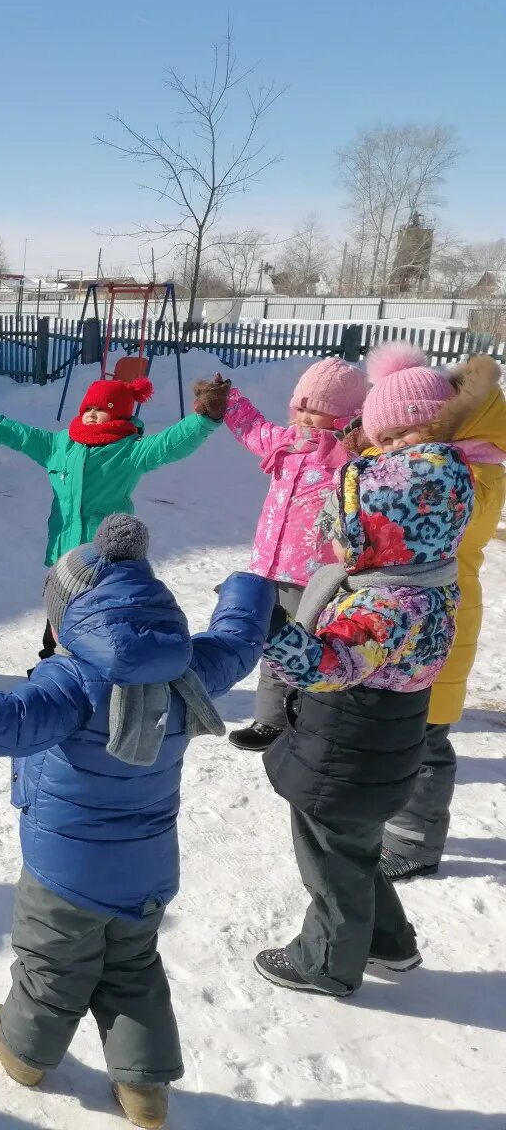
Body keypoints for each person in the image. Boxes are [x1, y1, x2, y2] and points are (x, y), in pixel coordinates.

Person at [0, 516, 270, 1130]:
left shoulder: (72, 683)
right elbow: (240, 641)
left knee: (52, 964)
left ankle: (26, 1051)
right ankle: (144, 1090)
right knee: (132, 968)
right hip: (150, 866)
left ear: (66, 622)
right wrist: (250, 584)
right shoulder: (189, 670)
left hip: (66, 871)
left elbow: (7, 722)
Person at [253, 414, 474, 998]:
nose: (333, 536)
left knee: (330, 864)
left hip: (345, 754)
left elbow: (330, 667)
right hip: (379, 749)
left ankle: (324, 964)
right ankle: (390, 941)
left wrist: (271, 631)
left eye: (348, 527)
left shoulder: (387, 604)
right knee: (355, 849)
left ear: (390, 533)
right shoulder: (433, 579)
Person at [0, 373, 230, 663]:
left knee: (96, 622)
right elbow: (21, 435)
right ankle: (51, 669)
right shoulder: (60, 445)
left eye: (100, 409)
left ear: (119, 415)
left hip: (104, 560)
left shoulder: (130, 452)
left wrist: (203, 420)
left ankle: (95, 672)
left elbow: (170, 443)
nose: (90, 415)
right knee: (57, 619)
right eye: (87, 408)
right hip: (63, 557)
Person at [376, 352, 506, 880]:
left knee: (426, 739)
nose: (391, 450)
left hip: (443, 624)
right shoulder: (433, 464)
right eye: (382, 440)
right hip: (406, 621)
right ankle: (392, 825)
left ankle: (414, 843)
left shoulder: (473, 471)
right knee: (398, 734)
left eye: (401, 434)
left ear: (435, 425)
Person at [219, 358, 368, 751]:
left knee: (312, 648)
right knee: (274, 645)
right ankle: (271, 722)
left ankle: (315, 721)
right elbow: (254, 429)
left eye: (313, 409)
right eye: (299, 406)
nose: (301, 415)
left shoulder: (347, 459)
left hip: (316, 574)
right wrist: (227, 399)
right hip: (272, 564)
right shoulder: (285, 441)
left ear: (343, 416)